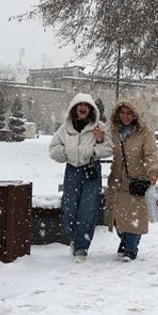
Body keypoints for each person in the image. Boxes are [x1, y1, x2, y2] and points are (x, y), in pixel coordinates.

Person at [49, 94, 113, 262]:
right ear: (74, 108)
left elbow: (109, 148)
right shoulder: (65, 129)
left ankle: (81, 248)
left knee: (88, 210)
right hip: (72, 170)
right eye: (80, 105)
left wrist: (95, 148)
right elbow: (53, 148)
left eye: (86, 105)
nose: (83, 107)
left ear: (91, 109)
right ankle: (74, 237)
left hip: (91, 170)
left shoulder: (99, 127)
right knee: (69, 209)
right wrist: (67, 153)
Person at [105, 99, 158, 261]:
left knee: (135, 217)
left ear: (135, 115)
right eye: (122, 113)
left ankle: (130, 248)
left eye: (129, 113)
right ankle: (125, 240)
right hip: (117, 180)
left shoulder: (145, 132)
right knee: (119, 217)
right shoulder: (113, 132)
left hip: (137, 181)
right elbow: (104, 147)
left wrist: (153, 171)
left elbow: (151, 154)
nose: (125, 116)